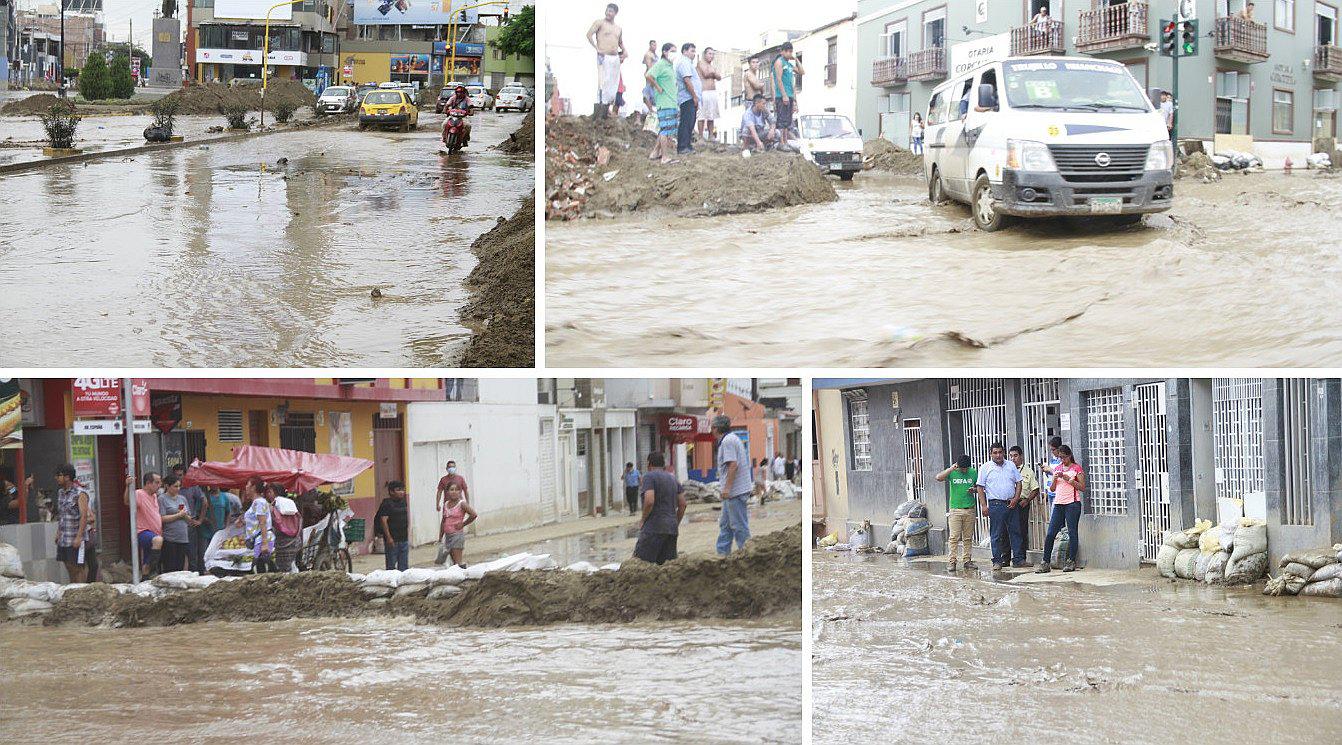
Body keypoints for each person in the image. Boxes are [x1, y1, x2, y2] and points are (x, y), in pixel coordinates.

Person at [1038, 444, 1086, 573]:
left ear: (1069, 456)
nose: (1062, 460)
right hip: (1059, 504)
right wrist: (1054, 479)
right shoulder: (1057, 468)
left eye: (1064, 457)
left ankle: (1071, 561)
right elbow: (1053, 489)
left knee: (1072, 532)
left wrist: (1070, 480)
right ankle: (1045, 562)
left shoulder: (1076, 468)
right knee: (1050, 533)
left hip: (1072, 504)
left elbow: (1082, 487)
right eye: (1060, 457)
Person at [975, 442, 1023, 571]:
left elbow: (1019, 482)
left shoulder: (1011, 465)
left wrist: (1016, 498)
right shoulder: (985, 468)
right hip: (996, 505)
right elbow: (980, 487)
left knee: (1016, 532)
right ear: (990, 454)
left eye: (1000, 452)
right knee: (996, 534)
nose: (998, 455)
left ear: (1004, 453)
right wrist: (984, 505)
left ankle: (1018, 559)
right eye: (995, 453)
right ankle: (997, 561)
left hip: (1011, 504)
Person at [632, 452, 686, 565]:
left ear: (649, 464)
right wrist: (675, 522)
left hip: (653, 528)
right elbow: (683, 504)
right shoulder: (673, 479)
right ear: (663, 464)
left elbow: (649, 501)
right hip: (671, 530)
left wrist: (643, 520)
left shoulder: (649, 477)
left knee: (640, 564)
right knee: (666, 567)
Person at [714, 415, 753, 555]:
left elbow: (733, 465)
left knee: (738, 525)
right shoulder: (731, 439)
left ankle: (748, 553)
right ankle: (722, 554)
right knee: (725, 525)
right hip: (733, 493)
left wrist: (727, 488)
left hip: (735, 492)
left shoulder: (728, 441)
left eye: (712, 427)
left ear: (716, 428)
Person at [935, 455, 979, 572]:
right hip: (955, 510)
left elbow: (979, 487)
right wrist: (951, 469)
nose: (964, 470)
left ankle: (967, 560)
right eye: (962, 468)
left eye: (966, 468)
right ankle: (952, 561)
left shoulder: (973, 472)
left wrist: (974, 490)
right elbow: (938, 478)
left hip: (969, 509)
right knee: (954, 537)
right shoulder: (952, 472)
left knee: (968, 537)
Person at [52, 464, 94, 584]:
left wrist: (79, 537)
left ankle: (81, 590)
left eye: (59, 475)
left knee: (78, 567)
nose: (56, 478)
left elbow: (84, 516)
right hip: (64, 538)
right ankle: (73, 588)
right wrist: (58, 533)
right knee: (68, 565)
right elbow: (62, 515)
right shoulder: (61, 493)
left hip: (76, 537)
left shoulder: (80, 493)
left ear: (67, 477)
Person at [586, 3, 626, 116]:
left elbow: (620, 42)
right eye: (607, 10)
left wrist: (625, 51)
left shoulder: (618, 28)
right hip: (603, 56)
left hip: (615, 57)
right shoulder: (600, 23)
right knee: (603, 82)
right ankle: (600, 109)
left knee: (613, 84)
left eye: (611, 11)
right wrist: (596, 47)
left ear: (615, 13)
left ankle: (607, 107)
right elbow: (589, 34)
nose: (608, 13)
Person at [646, 43, 679, 163]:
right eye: (672, 51)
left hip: (671, 101)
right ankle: (665, 157)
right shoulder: (661, 64)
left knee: (666, 128)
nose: (674, 54)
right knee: (665, 130)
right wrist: (657, 87)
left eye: (675, 51)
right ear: (665, 52)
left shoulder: (670, 66)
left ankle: (655, 152)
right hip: (664, 102)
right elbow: (649, 75)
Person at [126, 472, 164, 577]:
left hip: (154, 532)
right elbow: (127, 501)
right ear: (148, 483)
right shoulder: (139, 493)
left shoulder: (154, 496)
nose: (159, 485)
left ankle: (146, 577)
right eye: (157, 482)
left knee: (147, 561)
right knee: (158, 540)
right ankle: (153, 571)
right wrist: (127, 486)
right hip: (143, 531)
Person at [172, 464, 207, 573]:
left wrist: (200, 520)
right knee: (178, 554)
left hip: (189, 524)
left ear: (185, 475)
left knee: (192, 553)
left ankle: (194, 574)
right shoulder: (171, 488)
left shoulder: (192, 487)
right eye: (176, 475)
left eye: (180, 475)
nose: (178, 478)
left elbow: (204, 501)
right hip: (175, 524)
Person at [1008, 445, 1039, 566]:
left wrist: (1027, 500)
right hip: (1009, 503)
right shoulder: (1006, 469)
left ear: (1021, 456)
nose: (1013, 458)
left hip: (1021, 503)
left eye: (1015, 456)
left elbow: (1035, 489)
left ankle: (1021, 558)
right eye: (1011, 456)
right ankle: (1006, 558)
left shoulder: (1028, 471)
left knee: (1021, 531)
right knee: (1006, 531)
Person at [157, 475, 193, 573]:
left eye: (179, 486)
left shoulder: (182, 498)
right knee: (170, 566)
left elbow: (189, 519)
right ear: (167, 486)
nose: (178, 489)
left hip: (183, 537)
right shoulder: (162, 499)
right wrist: (178, 515)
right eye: (175, 486)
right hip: (170, 538)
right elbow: (162, 518)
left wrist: (184, 515)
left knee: (180, 566)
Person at [437, 481, 477, 568]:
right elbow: (443, 521)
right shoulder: (446, 504)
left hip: (457, 535)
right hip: (448, 536)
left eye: (456, 490)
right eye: (451, 490)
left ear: (460, 492)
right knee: (453, 562)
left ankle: (463, 572)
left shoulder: (462, 504)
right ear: (447, 492)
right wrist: (440, 536)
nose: (454, 492)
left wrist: (463, 524)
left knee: (457, 562)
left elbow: (473, 515)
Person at [375, 480, 411, 571]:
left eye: (403, 490)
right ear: (391, 492)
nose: (402, 492)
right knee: (391, 567)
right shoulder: (386, 504)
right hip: (392, 540)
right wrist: (389, 537)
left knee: (404, 567)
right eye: (398, 490)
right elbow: (383, 521)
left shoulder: (403, 502)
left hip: (403, 538)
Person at [772, 42, 804, 142]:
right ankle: (782, 142)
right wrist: (784, 95)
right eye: (788, 52)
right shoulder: (779, 62)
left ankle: (785, 141)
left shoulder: (789, 65)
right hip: (782, 96)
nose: (790, 54)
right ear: (782, 52)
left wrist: (796, 59)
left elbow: (802, 72)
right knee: (782, 121)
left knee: (787, 121)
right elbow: (779, 79)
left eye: (791, 52)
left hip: (790, 95)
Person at [243, 480, 277, 573]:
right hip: (260, 540)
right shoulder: (257, 502)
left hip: (262, 540)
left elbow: (263, 522)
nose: (246, 487)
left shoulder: (259, 502)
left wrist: (264, 543)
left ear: (253, 487)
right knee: (260, 569)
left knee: (260, 569)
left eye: (247, 484)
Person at [674, 43, 702, 155]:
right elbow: (687, 81)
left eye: (695, 51)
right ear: (684, 51)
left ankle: (687, 145)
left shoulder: (688, 63)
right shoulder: (684, 62)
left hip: (690, 97)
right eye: (692, 51)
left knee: (690, 122)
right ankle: (682, 147)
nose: (694, 54)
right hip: (687, 97)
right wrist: (694, 96)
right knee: (686, 122)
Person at [271, 493, 303, 572]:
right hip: (295, 542)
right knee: (291, 565)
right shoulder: (295, 513)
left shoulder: (274, 510)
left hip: (283, 544)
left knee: (284, 568)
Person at [695, 47, 722, 141]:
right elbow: (705, 74)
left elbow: (719, 77)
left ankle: (711, 135)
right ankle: (700, 136)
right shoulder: (700, 63)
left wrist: (713, 73)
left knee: (711, 115)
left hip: (712, 92)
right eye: (710, 53)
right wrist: (713, 73)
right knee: (702, 115)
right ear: (705, 54)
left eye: (713, 54)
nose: (712, 56)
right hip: (703, 91)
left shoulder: (712, 66)